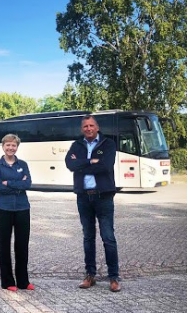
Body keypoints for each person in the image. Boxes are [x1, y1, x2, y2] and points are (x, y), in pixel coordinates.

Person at [65, 114, 121, 292]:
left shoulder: (108, 144)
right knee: (88, 238)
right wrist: (90, 161)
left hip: (103, 196)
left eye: (91, 126)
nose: (88, 129)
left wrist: (81, 165)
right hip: (83, 196)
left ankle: (114, 277)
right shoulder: (76, 145)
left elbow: (106, 166)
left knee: (108, 237)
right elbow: (69, 164)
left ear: (97, 127)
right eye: (85, 126)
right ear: (82, 129)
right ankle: (90, 275)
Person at [0, 133, 34, 292]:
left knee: (22, 245)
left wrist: (8, 182)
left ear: (17, 147)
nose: (10, 148)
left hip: (23, 208)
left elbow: (28, 183)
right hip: (3, 209)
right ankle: (7, 281)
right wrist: (18, 184)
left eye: (13, 145)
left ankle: (23, 281)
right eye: (8, 145)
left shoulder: (23, 164)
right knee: (4, 244)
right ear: (3, 146)